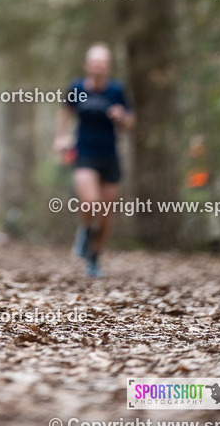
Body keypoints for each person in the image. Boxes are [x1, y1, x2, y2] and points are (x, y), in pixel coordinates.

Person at [54, 43, 134, 277]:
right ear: (87, 65)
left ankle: (94, 258)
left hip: (109, 155)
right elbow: (65, 114)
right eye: (95, 62)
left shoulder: (117, 90)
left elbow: (130, 124)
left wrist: (122, 117)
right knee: (90, 201)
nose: (98, 66)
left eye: (103, 62)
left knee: (106, 215)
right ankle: (85, 230)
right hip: (84, 152)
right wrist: (60, 138)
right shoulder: (76, 87)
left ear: (108, 67)